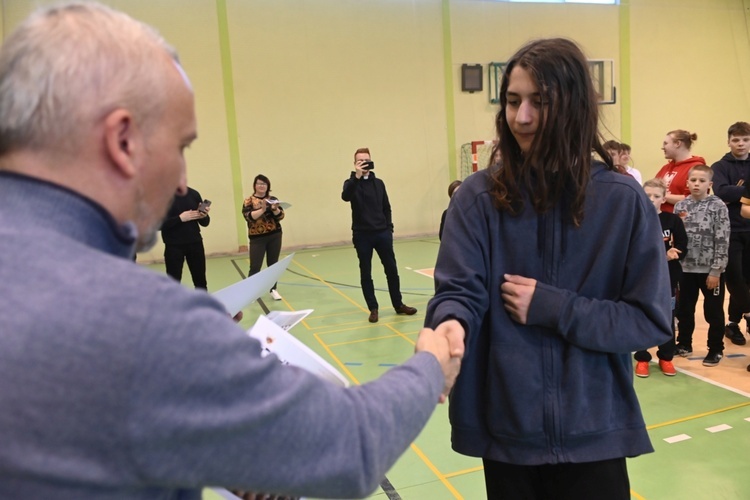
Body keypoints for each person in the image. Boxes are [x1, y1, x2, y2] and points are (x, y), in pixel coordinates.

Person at [0, 3, 464, 498]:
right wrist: (431, 364)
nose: (182, 179)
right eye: (180, 147)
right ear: (122, 140)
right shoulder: (141, 322)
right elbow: (348, 448)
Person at [425, 38, 672, 500]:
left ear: (575, 107)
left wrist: (555, 307)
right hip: (507, 434)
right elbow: (458, 290)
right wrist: (448, 327)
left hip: (593, 433)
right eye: (513, 101)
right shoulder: (476, 199)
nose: (521, 118)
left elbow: (649, 319)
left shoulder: (622, 201)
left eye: (540, 102)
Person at [341, 148, 418, 323]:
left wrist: (389, 229)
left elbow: (386, 207)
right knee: (366, 272)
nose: (364, 163)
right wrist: (357, 177)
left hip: (382, 233)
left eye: (366, 160)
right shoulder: (350, 183)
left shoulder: (379, 183)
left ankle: (398, 304)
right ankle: (373, 308)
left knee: (391, 269)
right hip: (362, 235)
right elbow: (345, 197)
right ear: (355, 164)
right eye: (360, 161)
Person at [673, 165, 730, 366]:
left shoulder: (718, 206)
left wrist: (716, 270)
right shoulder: (680, 207)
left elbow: (722, 239)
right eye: (693, 180)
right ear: (687, 182)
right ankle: (684, 344)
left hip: (709, 270)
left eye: (702, 181)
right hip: (685, 269)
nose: (697, 184)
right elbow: (675, 237)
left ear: (710, 184)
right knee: (685, 309)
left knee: (713, 311)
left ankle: (715, 349)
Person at [634, 178, 687, 378]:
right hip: (642, 276)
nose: (651, 199)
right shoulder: (636, 218)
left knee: (667, 316)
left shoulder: (672, 220)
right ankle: (641, 357)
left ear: (663, 199)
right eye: (647, 195)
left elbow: (682, 244)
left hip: (668, 277)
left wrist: (675, 253)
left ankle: (666, 357)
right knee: (642, 314)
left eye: (656, 196)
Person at [710, 121, 750, 346]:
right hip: (730, 229)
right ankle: (749, 313)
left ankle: (733, 324)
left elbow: (730, 192)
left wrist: (737, 191)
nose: (741, 144)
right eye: (736, 139)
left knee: (747, 280)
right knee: (735, 279)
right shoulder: (720, 166)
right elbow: (721, 191)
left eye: (745, 139)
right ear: (728, 141)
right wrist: (748, 190)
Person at [242, 174, 285, 300]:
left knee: (273, 264)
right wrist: (263, 209)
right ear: (255, 185)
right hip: (257, 238)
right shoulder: (248, 201)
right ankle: (252, 291)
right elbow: (249, 217)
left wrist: (275, 209)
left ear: (268, 186)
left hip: (274, 235)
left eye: (264, 184)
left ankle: (273, 289)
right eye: (259, 183)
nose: (262, 186)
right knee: (255, 266)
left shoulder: (273, 199)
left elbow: (281, 216)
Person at [160, 186, 210, 289]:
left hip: (195, 243)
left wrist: (204, 216)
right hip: (173, 246)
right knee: (173, 283)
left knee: (200, 281)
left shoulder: (194, 194)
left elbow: (205, 223)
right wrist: (180, 218)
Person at [655, 129, 706, 213]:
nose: (662, 147)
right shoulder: (665, 168)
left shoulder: (696, 168)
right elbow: (653, 189)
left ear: (677, 144)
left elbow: (693, 198)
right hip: (662, 219)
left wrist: (661, 196)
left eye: (666, 143)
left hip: (682, 221)